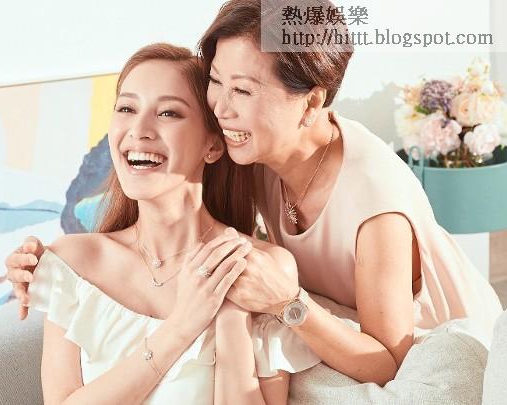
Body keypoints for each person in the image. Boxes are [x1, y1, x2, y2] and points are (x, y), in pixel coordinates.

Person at [7, 0, 502, 387]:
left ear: (310, 103)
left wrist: (289, 303)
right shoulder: (254, 148)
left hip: (443, 354)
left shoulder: (374, 204)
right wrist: (42, 266)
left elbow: (389, 361)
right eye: (216, 81)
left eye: (242, 91)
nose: (219, 107)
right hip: (334, 332)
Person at [22, 42, 319, 405]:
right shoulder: (74, 262)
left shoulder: (262, 269)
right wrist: (181, 326)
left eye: (168, 113)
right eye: (127, 108)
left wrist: (231, 316)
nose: (139, 129)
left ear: (213, 145)